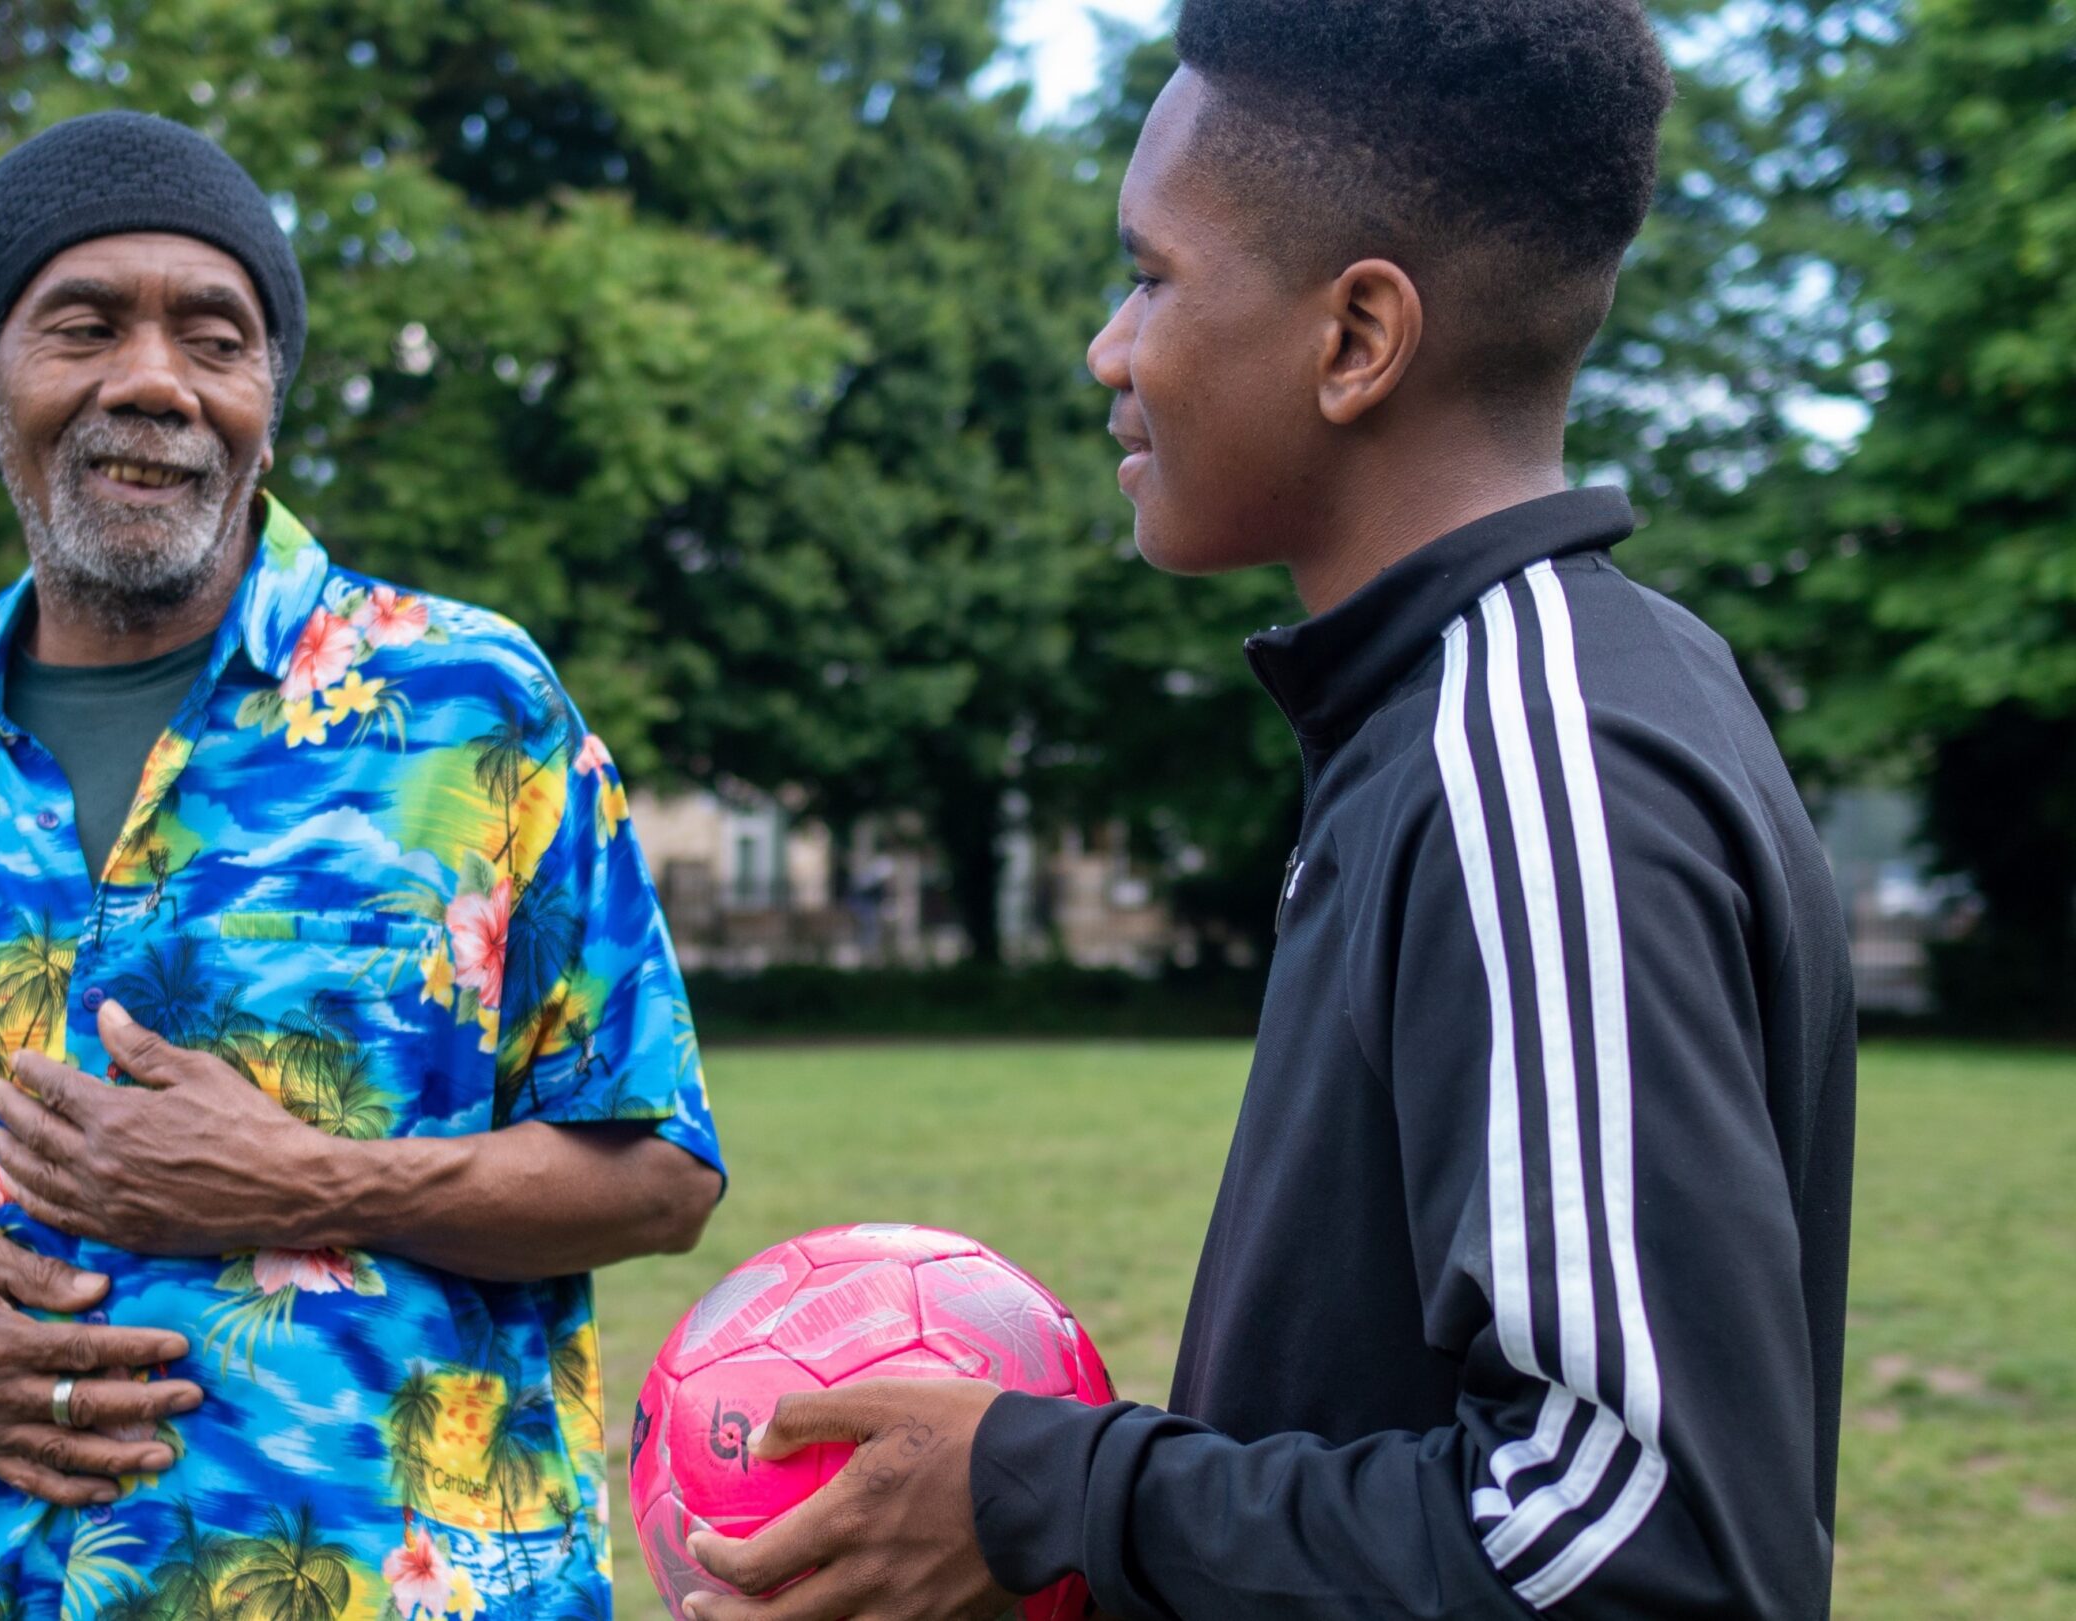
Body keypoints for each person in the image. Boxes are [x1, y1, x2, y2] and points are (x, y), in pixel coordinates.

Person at [683, 4, 1856, 1619]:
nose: (1110, 345)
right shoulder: (1467, 711)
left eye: (1150, 275)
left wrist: (1058, 1494)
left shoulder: (1532, 755)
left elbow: (1638, 1548)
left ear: (1357, 338)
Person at [0, 110, 724, 1621]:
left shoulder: (470, 708)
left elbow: (660, 1173)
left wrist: (316, 1178)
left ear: (266, 412)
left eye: (213, 337)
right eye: (82, 325)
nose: (153, 380)